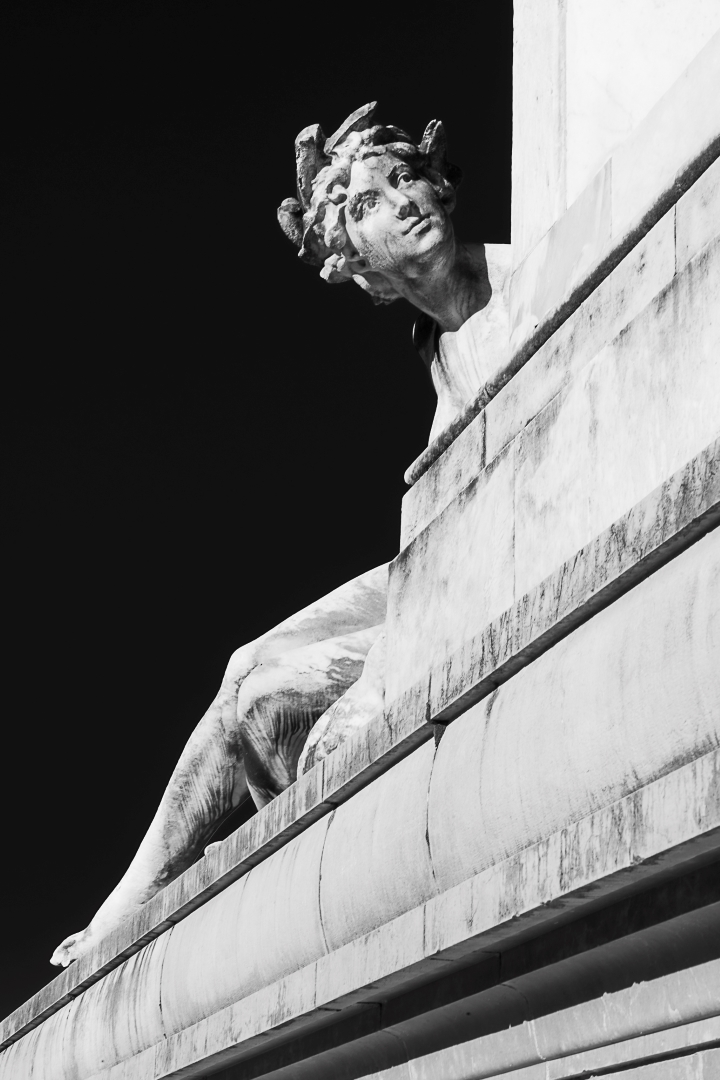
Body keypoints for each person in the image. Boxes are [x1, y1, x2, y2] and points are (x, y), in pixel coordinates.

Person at [51, 102, 509, 967]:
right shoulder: (438, 348)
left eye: (407, 178)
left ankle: (162, 908)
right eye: (369, 202)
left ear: (440, 186)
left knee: (269, 701)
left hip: (484, 555)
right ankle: (127, 905)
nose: (404, 201)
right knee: (244, 664)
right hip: (452, 547)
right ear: (357, 264)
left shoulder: (526, 279)